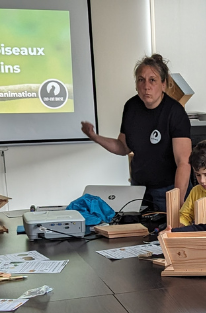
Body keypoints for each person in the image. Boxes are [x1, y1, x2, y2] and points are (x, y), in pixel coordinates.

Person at [81, 54, 191, 212]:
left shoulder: (175, 112)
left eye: (152, 80)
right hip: (138, 190)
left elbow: (183, 162)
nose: (146, 86)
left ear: (163, 84)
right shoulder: (131, 107)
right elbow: (122, 147)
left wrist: (178, 200)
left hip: (167, 190)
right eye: (141, 80)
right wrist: (95, 137)